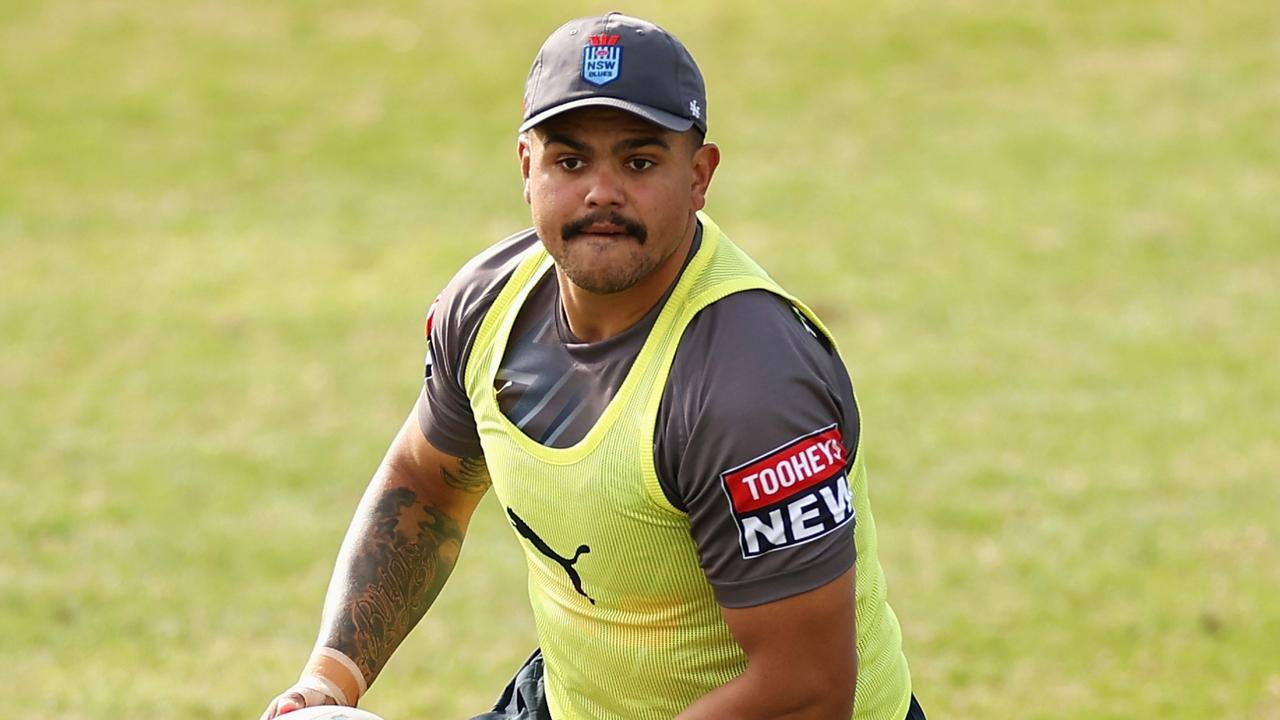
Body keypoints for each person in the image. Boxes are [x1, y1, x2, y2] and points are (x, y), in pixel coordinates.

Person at [261, 12, 924, 720]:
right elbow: (425, 488)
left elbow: (807, 689)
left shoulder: (748, 387)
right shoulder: (487, 308)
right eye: (570, 161)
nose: (600, 192)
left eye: (638, 162)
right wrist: (331, 680)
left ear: (699, 176)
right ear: (527, 168)